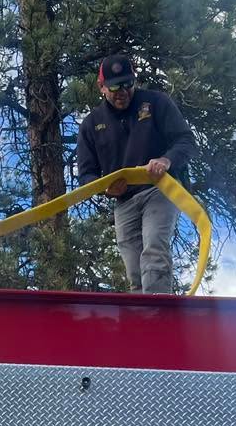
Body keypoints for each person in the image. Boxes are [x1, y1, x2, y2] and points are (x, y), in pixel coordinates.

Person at [76, 52, 196, 294]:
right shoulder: (91, 124)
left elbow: (186, 141)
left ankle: (158, 311)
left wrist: (166, 160)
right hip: (124, 202)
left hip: (160, 189)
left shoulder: (156, 103)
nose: (123, 92)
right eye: (115, 87)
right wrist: (105, 188)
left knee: (154, 251)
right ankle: (141, 313)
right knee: (134, 271)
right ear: (101, 87)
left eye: (128, 84)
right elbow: (86, 174)